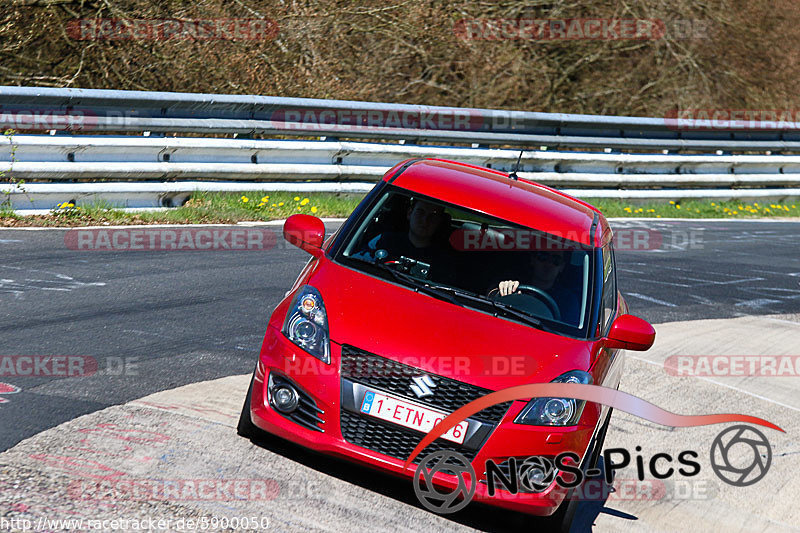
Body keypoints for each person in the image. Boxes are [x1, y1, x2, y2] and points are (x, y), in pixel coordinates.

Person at [353, 198, 452, 275]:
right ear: (409, 213)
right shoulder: (384, 241)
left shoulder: (443, 259)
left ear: (439, 222)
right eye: (420, 212)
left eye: (433, 216)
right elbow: (355, 263)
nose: (425, 220)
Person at [494, 250, 581, 323]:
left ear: (562, 267)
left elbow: (567, 335)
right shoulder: (515, 284)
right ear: (533, 260)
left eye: (556, 260)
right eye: (543, 257)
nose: (548, 264)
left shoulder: (568, 301)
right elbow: (490, 301)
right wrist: (502, 291)